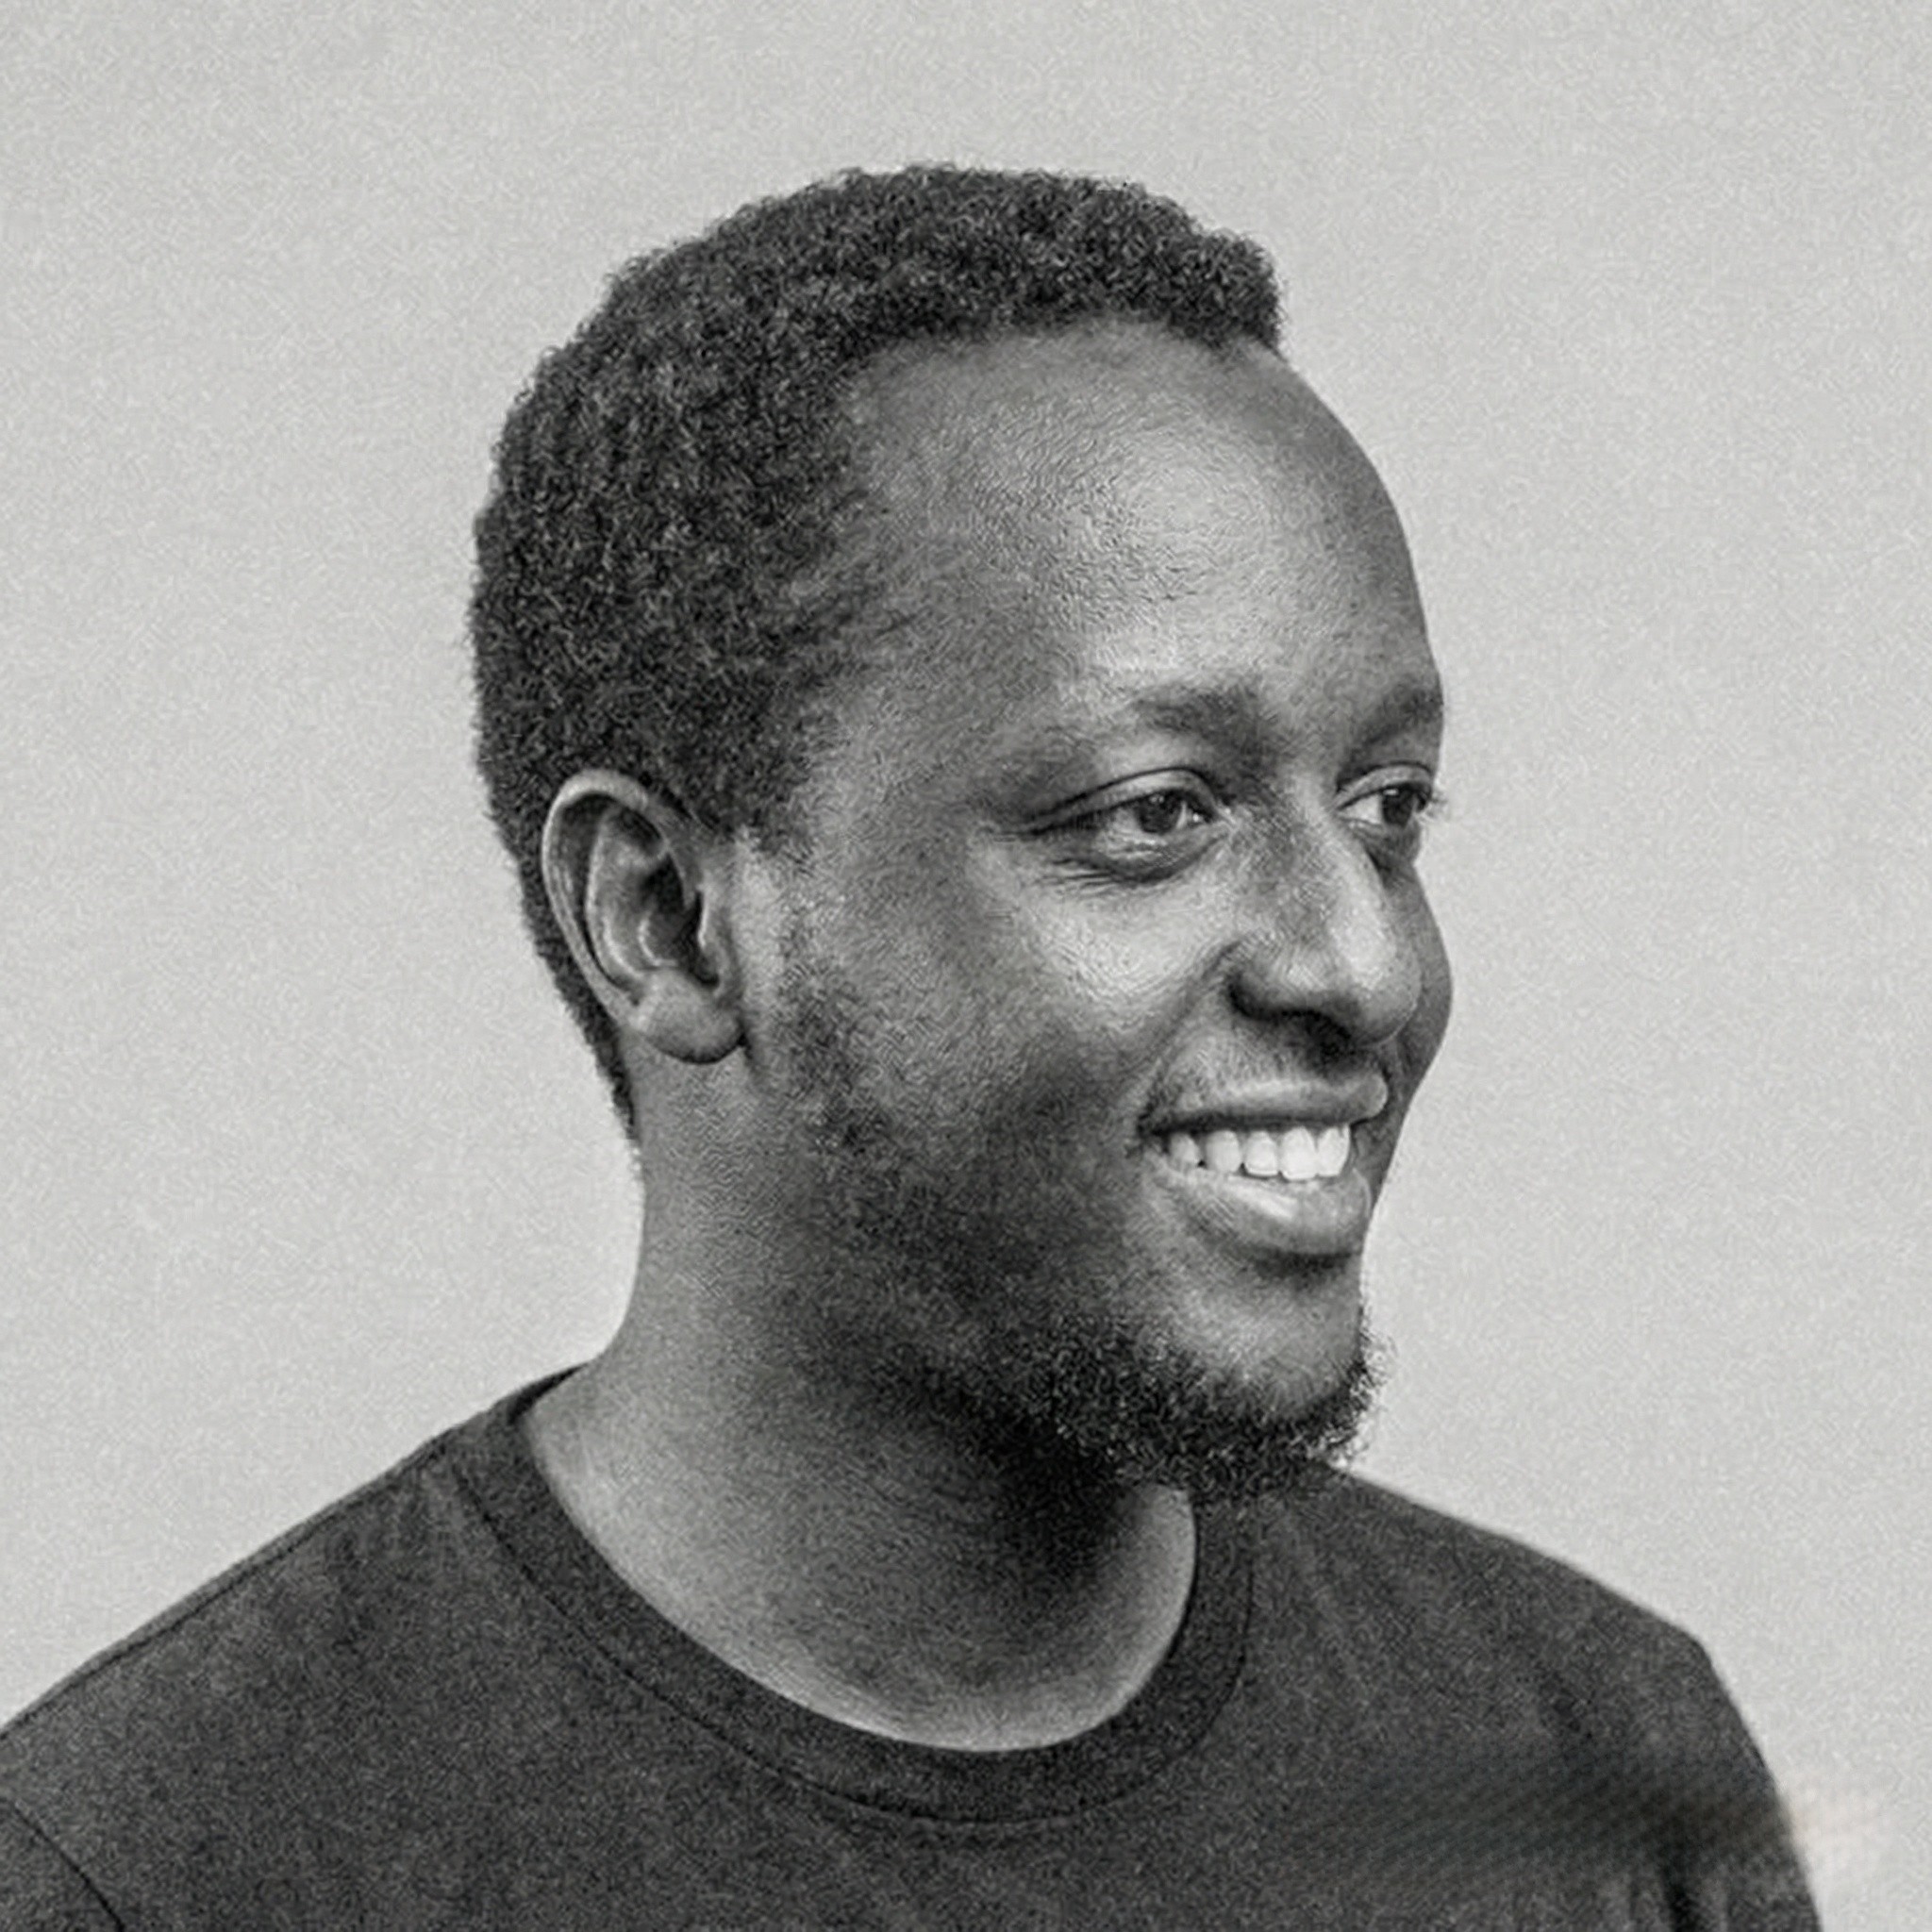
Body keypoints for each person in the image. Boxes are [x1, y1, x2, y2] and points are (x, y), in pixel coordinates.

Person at [0, 165, 1817, 1926]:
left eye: (1389, 807)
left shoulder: (1596, 1771)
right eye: (1154, 814)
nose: (1367, 964)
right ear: (667, 918)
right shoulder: (152, 1871)